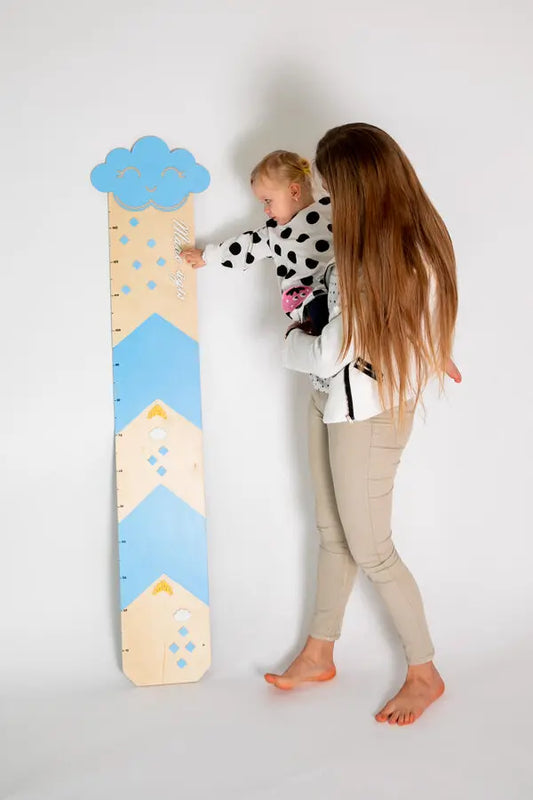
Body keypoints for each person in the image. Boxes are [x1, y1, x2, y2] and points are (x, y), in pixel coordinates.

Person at [265, 123, 461, 727]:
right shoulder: (376, 242)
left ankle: (424, 673)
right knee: (332, 532)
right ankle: (319, 652)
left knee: (373, 551)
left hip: (367, 418)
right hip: (332, 402)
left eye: (332, 188)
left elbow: (326, 352)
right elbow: (405, 319)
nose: (327, 201)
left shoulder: (382, 252)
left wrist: (290, 343)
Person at [183, 150, 335, 336]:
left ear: (294, 191)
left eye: (268, 201)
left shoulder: (331, 210)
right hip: (308, 297)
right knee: (320, 310)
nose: (266, 210)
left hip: (339, 288)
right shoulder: (274, 234)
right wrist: (207, 255)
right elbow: (245, 247)